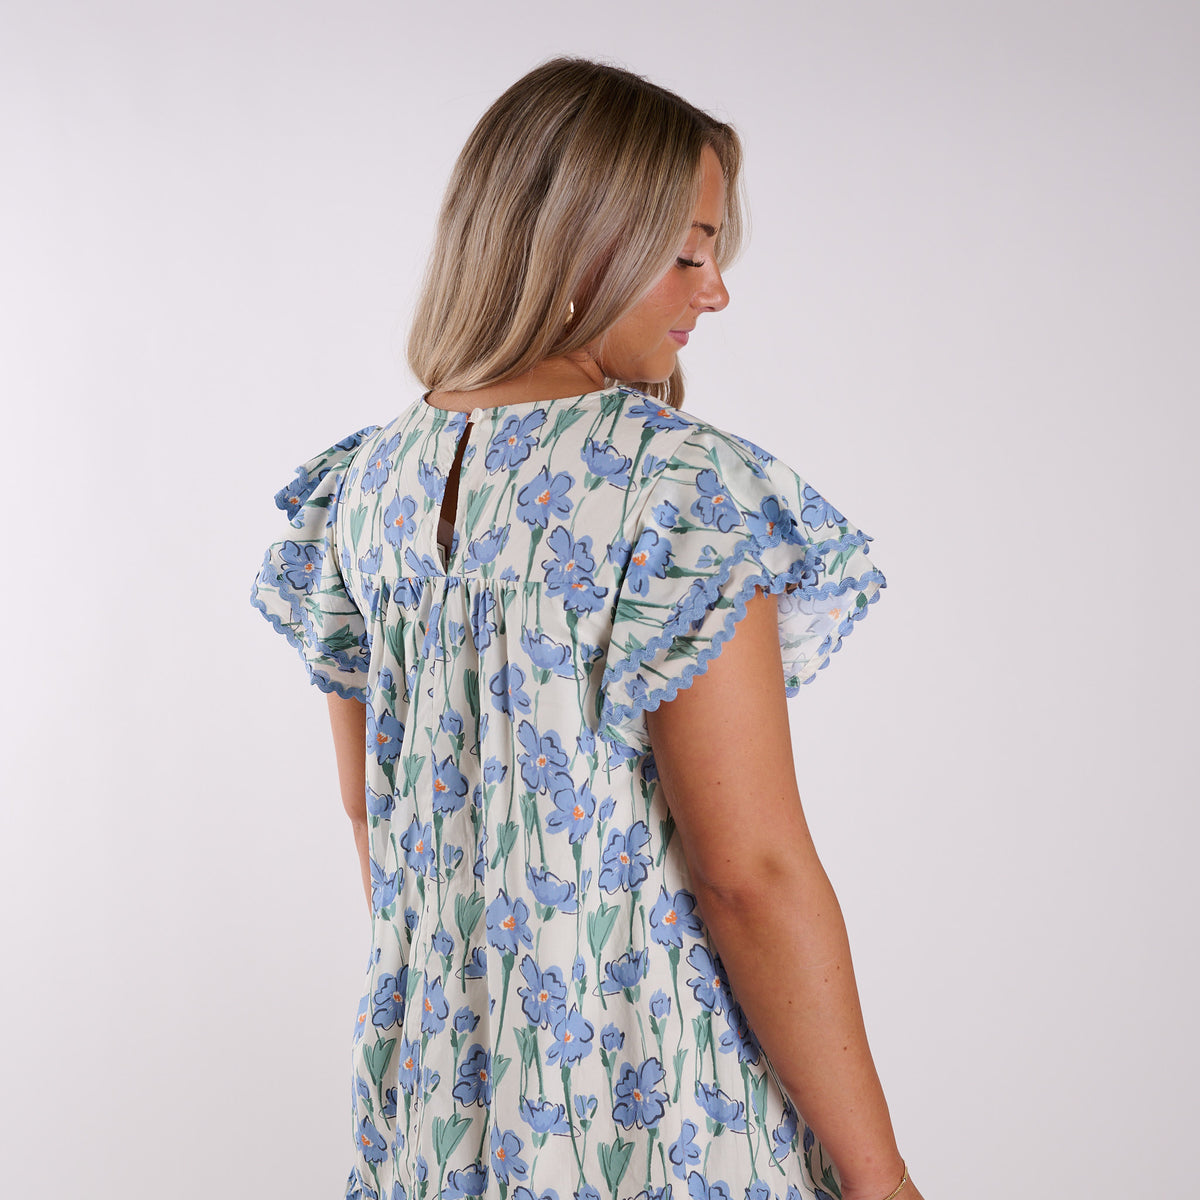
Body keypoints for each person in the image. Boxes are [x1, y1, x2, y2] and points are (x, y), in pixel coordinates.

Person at [252, 57, 923, 1200]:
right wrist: (881, 1178)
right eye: (691, 250)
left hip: (435, 1113)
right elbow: (748, 873)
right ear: (583, 245)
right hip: (662, 1111)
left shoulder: (362, 490)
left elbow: (379, 817)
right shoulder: (678, 491)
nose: (714, 292)